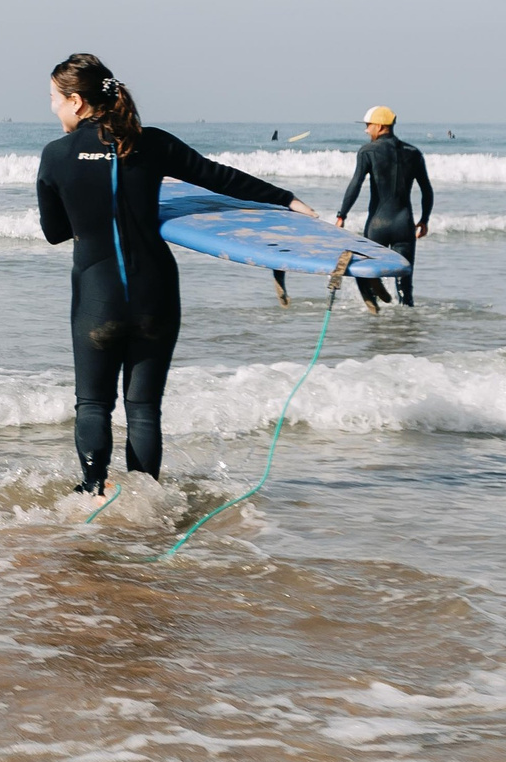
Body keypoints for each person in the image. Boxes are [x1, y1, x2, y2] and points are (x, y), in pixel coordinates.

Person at [35, 54, 316, 496]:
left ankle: (92, 493)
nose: (51, 108)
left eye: (53, 99)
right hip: (156, 294)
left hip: (96, 296)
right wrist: (286, 199)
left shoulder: (55, 156)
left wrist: (89, 208)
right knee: (144, 407)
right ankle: (146, 502)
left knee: (93, 403)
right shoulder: (152, 143)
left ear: (75, 101)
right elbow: (217, 177)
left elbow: (54, 232)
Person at [336, 105, 433, 312]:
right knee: (405, 285)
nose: (366, 130)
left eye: (368, 125)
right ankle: (407, 326)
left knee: (364, 271)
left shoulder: (367, 151)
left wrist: (342, 215)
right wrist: (424, 220)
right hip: (404, 225)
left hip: (377, 224)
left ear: (379, 126)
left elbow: (355, 184)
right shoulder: (413, 153)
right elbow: (427, 190)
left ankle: (374, 312)